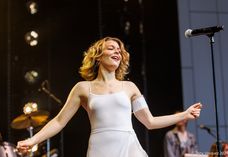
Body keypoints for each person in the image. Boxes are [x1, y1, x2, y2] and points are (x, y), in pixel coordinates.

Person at [17, 37, 202, 157]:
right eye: (111, 48)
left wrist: (184, 115)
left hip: (129, 146)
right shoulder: (82, 88)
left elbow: (150, 122)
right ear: (98, 56)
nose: (117, 52)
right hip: (100, 148)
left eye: (120, 51)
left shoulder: (130, 87)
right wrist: (32, 140)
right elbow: (59, 121)